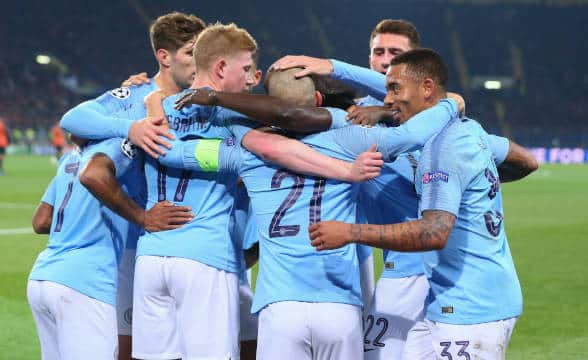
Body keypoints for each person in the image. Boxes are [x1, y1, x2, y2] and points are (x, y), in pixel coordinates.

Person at [155, 66, 462, 359]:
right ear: (317, 102)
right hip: (337, 306)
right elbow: (410, 136)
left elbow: (175, 153)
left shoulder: (244, 153)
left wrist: (152, 109)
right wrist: (451, 104)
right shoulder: (352, 140)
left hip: (280, 308)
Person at [307, 49, 538, 360]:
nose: (387, 100)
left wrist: (350, 232)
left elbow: (433, 233)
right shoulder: (469, 130)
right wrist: (472, 187)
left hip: (473, 310)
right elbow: (527, 161)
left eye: (394, 89)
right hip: (445, 302)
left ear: (427, 88)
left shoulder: (442, 150)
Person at [58, 11, 207, 360]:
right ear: (164, 57)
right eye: (190, 52)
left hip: (193, 247)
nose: (197, 62)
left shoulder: (202, 99)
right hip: (137, 249)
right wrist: (131, 128)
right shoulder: (135, 95)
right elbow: (72, 119)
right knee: (135, 348)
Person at [27, 132, 191, 360]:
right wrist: (143, 217)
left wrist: (78, 221)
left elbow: (41, 221)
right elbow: (93, 176)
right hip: (84, 281)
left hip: (43, 277)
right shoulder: (121, 152)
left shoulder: (70, 158)